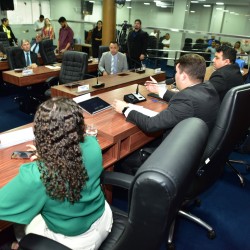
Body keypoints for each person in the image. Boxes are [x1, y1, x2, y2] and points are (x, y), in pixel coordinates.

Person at [0, 97, 113, 250]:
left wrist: (46, 159)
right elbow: (72, 160)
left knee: (20, 222)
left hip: (75, 243)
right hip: (104, 220)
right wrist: (48, 155)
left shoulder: (37, 176)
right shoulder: (93, 144)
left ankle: (19, 245)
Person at [113, 54, 220, 139]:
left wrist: (125, 109)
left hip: (179, 152)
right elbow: (186, 100)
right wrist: (160, 91)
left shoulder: (186, 99)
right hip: (198, 141)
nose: (175, 76)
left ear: (183, 76)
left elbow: (150, 125)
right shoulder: (208, 87)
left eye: (177, 72)